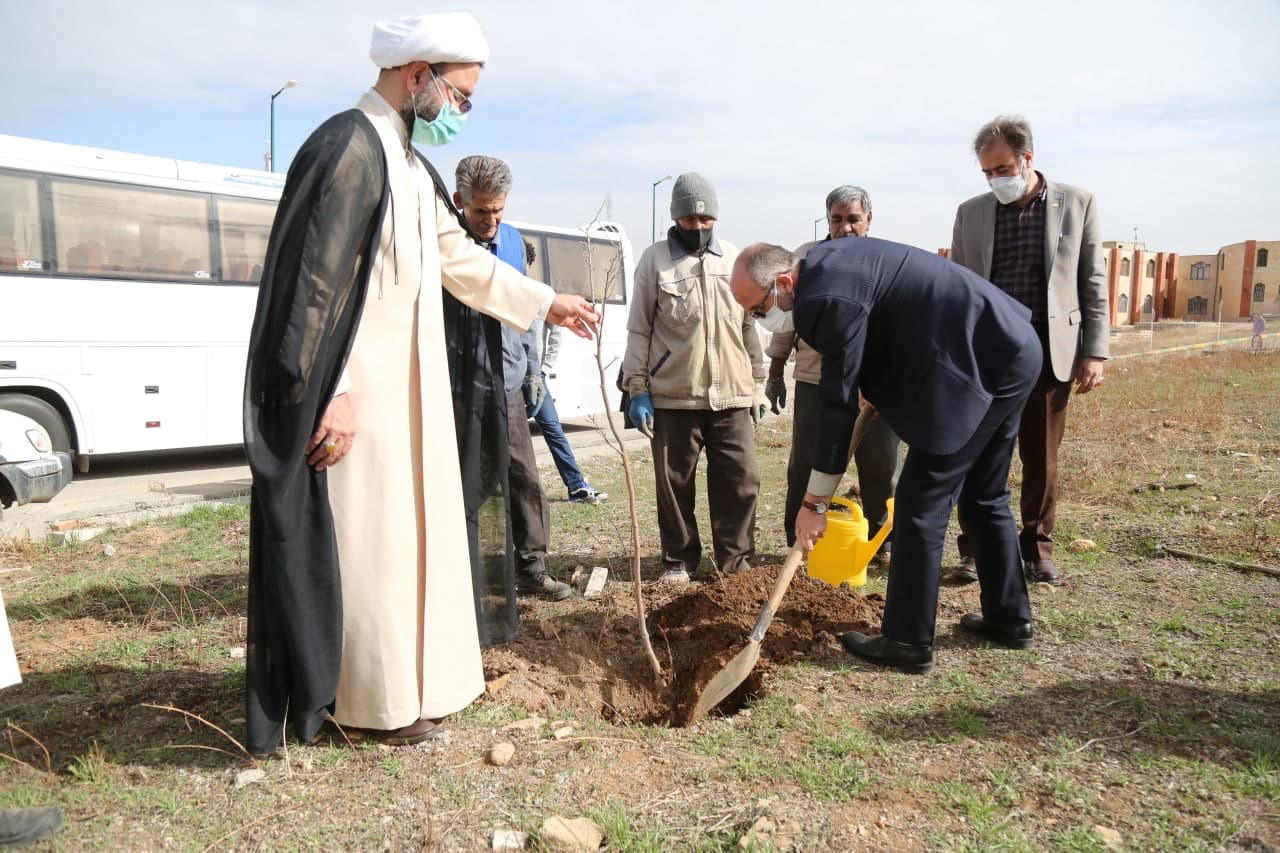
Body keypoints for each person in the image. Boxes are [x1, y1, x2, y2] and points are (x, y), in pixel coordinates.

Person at [243, 13, 599, 755]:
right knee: (368, 548)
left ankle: (407, 684)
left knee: (407, 544)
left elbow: (458, 260)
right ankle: (359, 697)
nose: (459, 114)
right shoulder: (347, 149)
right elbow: (313, 287)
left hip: (408, 402)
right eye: (459, 97)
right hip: (356, 402)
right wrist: (326, 390)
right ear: (417, 77)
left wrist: (546, 301)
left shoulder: (406, 161)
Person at [730, 239, 1041, 674]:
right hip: (1012, 348)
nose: (760, 320)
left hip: (982, 363)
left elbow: (836, 407)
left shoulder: (823, 297)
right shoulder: (829, 268)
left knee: (920, 504)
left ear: (783, 281)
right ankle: (1009, 618)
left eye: (759, 310)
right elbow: (883, 326)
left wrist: (814, 503)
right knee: (985, 493)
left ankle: (907, 640)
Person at [949, 115, 1109, 586]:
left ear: (1027, 158)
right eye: (987, 172)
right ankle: (974, 550)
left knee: (1041, 458)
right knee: (978, 455)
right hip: (990, 352)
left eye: (1002, 168)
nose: (996, 178)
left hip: (1049, 348)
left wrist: (1094, 353)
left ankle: (1036, 548)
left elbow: (1092, 281)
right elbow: (960, 287)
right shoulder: (971, 213)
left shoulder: (1076, 203)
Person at [621, 173, 767, 582]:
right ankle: (679, 559)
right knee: (674, 484)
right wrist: (637, 387)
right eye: (689, 219)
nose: (698, 226)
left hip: (733, 396)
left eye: (705, 219)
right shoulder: (654, 261)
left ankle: (735, 563)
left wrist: (755, 384)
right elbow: (639, 329)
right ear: (676, 217)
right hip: (674, 396)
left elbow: (747, 326)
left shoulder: (734, 258)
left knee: (741, 482)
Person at [452, 155, 571, 601]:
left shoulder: (514, 242)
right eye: (482, 211)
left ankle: (532, 568)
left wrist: (533, 369)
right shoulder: (447, 244)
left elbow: (526, 314)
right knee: (466, 482)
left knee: (523, 478)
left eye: (498, 210)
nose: (491, 220)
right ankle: (458, 571)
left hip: (508, 381)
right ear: (461, 201)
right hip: (460, 386)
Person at [762, 185, 902, 561]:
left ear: (868, 220)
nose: (845, 227)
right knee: (807, 462)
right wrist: (776, 370)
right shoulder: (806, 258)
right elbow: (788, 318)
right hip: (816, 379)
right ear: (827, 220)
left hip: (875, 385)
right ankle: (800, 537)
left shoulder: (883, 259)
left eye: (853, 219)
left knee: (881, 464)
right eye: (837, 220)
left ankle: (882, 539)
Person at [523, 239, 609, 505]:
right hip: (509, 376)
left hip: (536, 378)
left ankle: (576, 486)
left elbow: (556, 337)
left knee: (553, 430)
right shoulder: (504, 292)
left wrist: (544, 369)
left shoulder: (543, 294)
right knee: (505, 436)